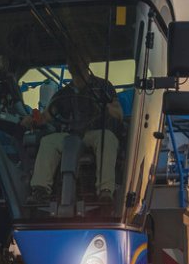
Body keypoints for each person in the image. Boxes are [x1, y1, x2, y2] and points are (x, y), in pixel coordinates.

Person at [23, 53, 123, 203]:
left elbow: (119, 114)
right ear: (68, 64)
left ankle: (105, 191)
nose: (75, 62)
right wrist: (32, 120)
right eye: (72, 59)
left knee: (107, 138)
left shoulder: (103, 87)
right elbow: (46, 116)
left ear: (88, 60)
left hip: (95, 133)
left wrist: (107, 107)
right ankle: (40, 190)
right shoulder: (63, 93)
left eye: (79, 57)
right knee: (48, 141)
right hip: (70, 135)